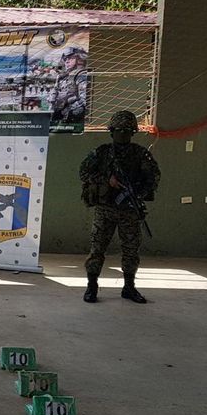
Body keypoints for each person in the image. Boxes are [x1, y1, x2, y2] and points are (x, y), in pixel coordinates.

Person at [79, 110, 160, 304]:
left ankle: (129, 287)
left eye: (126, 131)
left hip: (129, 210)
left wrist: (137, 194)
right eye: (119, 130)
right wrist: (107, 180)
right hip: (105, 209)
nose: (122, 134)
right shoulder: (102, 152)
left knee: (131, 250)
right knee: (97, 248)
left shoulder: (140, 154)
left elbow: (153, 177)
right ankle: (91, 286)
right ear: (112, 131)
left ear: (133, 132)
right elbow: (83, 172)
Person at [50, 46, 88, 124]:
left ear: (79, 59)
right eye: (65, 59)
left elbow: (85, 100)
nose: (67, 61)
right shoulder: (61, 77)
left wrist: (66, 113)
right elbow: (54, 95)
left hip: (73, 119)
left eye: (71, 58)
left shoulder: (81, 75)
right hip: (58, 117)